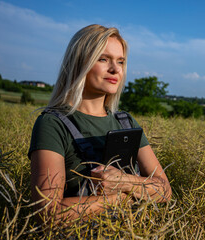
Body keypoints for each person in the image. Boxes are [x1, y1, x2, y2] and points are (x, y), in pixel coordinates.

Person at [29, 24, 172, 222]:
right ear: (79, 63)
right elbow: (47, 213)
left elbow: (164, 191)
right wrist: (119, 199)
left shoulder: (125, 122)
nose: (115, 69)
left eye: (120, 62)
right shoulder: (52, 124)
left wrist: (124, 181)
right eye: (103, 59)